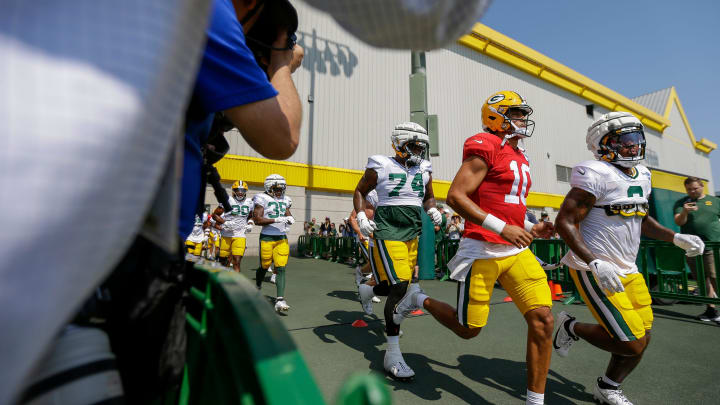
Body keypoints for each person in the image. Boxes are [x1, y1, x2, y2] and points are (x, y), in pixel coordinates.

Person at [389, 92, 555, 404]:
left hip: (515, 252)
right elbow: (456, 196)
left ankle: (536, 400)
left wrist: (532, 227)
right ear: (496, 116)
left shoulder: (521, 154)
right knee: (468, 329)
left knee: (543, 320)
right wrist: (501, 227)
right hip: (483, 249)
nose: (522, 120)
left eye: (522, 114)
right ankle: (418, 298)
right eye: (516, 114)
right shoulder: (486, 144)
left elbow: (512, 203)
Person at [553, 112, 704, 405]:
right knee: (632, 344)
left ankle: (608, 386)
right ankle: (570, 326)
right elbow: (565, 222)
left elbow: (640, 217)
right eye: (625, 142)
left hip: (627, 268)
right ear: (603, 144)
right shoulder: (595, 173)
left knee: (644, 336)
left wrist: (675, 238)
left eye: (637, 140)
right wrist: (594, 261)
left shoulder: (643, 175)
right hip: (593, 267)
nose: (634, 147)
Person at [179, 0, 304, 245]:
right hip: (128, 235)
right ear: (250, 3)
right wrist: (281, 64)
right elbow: (282, 140)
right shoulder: (211, 14)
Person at [354, 122, 443, 381]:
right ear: (400, 144)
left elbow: (428, 195)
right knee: (401, 287)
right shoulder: (381, 164)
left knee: (394, 286)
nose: (418, 151)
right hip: (388, 230)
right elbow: (361, 190)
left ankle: (368, 290)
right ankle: (392, 353)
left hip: (412, 232)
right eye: (414, 146)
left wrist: (432, 208)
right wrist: (360, 215)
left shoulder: (424, 169)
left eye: (421, 146)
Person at [673, 176, 720, 322]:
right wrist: (685, 212)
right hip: (692, 248)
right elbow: (678, 221)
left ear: (702, 186)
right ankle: (711, 310)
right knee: (702, 279)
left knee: (715, 277)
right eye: (689, 189)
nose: (692, 191)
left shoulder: (715, 201)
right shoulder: (681, 203)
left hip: (712, 246)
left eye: (695, 188)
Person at [252, 174, 295, 312]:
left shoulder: (285, 199)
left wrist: (290, 218)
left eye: (281, 188)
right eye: (276, 188)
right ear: (269, 187)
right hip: (267, 238)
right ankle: (258, 285)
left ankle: (280, 300)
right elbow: (257, 219)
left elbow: (287, 212)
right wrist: (276, 220)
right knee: (264, 265)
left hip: (282, 238)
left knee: (281, 267)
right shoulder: (262, 198)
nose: (279, 191)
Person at [219, 181, 255, 271]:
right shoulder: (228, 200)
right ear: (233, 190)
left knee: (237, 260)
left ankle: (235, 283)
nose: (240, 192)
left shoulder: (250, 202)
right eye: (237, 190)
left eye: (242, 190)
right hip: (227, 234)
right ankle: (222, 278)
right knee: (223, 261)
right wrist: (225, 222)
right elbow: (214, 215)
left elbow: (252, 215)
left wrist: (250, 223)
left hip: (240, 234)